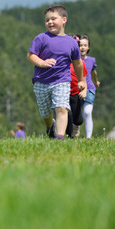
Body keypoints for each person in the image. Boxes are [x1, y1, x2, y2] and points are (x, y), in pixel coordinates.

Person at [27, 5, 87, 140]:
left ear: (64, 19)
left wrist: (81, 80)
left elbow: (78, 63)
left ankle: (60, 137)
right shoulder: (41, 38)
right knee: (45, 113)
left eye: (53, 18)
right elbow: (31, 55)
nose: (50, 22)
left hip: (62, 81)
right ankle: (50, 127)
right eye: (47, 20)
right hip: (41, 81)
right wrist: (41, 63)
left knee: (61, 108)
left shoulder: (71, 43)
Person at [66, 34, 88, 138]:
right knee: (68, 115)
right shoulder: (63, 61)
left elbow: (84, 80)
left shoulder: (80, 63)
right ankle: (68, 135)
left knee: (78, 120)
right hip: (63, 93)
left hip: (75, 93)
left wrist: (84, 91)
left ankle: (75, 126)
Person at [79, 34, 100, 138]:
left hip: (90, 88)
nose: (82, 47)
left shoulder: (91, 60)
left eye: (85, 45)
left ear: (88, 47)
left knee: (87, 112)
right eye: (80, 45)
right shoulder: (74, 60)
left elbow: (93, 73)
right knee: (79, 115)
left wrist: (96, 82)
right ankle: (75, 131)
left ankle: (88, 137)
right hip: (77, 89)